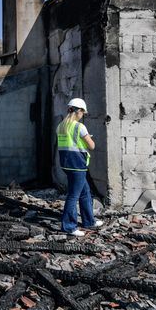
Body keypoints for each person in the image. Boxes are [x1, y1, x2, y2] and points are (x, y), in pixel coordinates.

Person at [57, 98, 103, 237]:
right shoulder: (80, 127)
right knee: (73, 196)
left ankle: (89, 221)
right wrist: (88, 137)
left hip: (67, 164)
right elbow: (92, 146)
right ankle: (69, 227)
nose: (83, 115)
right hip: (77, 165)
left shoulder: (60, 126)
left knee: (85, 192)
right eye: (83, 112)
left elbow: (70, 143)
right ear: (79, 111)